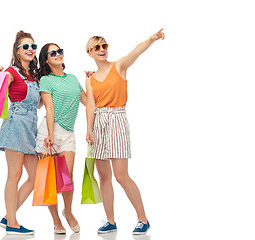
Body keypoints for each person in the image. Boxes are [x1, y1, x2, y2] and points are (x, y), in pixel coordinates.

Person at [85, 29, 165, 235]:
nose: (102, 50)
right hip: (98, 124)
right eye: (97, 47)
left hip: (117, 120)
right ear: (90, 53)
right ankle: (110, 221)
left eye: (104, 46)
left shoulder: (118, 66)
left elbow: (135, 52)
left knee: (121, 175)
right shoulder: (90, 79)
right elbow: (90, 106)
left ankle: (142, 219)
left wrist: (152, 39)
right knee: (104, 176)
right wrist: (89, 130)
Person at [0, 30, 41, 235]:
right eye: (25, 46)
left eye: (33, 46)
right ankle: (12, 222)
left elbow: (37, 106)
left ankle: (8, 216)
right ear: (17, 51)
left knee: (35, 177)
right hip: (15, 123)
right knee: (15, 174)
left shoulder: (34, 76)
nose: (30, 49)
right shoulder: (11, 72)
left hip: (31, 127)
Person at [35, 43, 87, 234]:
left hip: (68, 133)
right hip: (50, 132)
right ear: (46, 60)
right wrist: (49, 134)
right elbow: (49, 108)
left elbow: (88, 102)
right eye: (53, 53)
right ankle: (56, 221)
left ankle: (68, 211)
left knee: (67, 177)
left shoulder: (73, 79)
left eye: (60, 51)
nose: (58, 55)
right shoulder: (46, 80)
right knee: (49, 179)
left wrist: (90, 81)